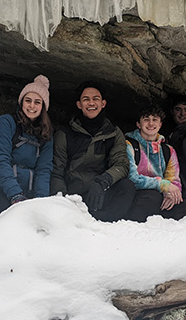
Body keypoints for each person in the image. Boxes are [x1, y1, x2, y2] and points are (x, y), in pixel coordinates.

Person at [51, 82, 136, 221]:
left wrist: (102, 182)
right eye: (86, 99)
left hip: (100, 191)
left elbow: (121, 164)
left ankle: (108, 222)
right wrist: (62, 199)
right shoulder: (65, 133)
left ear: (103, 103)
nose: (91, 103)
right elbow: (56, 170)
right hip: (74, 196)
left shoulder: (113, 132)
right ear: (79, 104)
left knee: (126, 187)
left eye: (96, 99)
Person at [0, 75, 54, 215]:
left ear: (43, 106)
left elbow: (44, 169)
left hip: (25, 190)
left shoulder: (46, 134)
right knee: (14, 219)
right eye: (28, 100)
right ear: (21, 102)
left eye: (37, 102)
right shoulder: (7, 122)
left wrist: (41, 200)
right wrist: (15, 195)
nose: (32, 106)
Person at [124, 106, 186, 222]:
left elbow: (174, 179)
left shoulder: (168, 150)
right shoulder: (129, 145)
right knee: (152, 199)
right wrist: (162, 185)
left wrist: (170, 194)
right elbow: (132, 178)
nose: (150, 123)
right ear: (138, 124)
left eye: (155, 120)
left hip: (161, 197)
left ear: (160, 125)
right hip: (139, 196)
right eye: (146, 119)